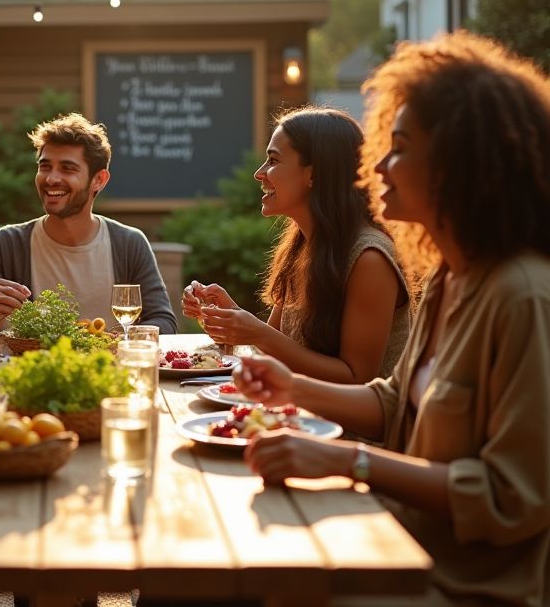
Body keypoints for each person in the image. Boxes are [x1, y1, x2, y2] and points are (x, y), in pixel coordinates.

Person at [235, 31, 550, 606]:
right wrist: (289, 385)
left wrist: (346, 459)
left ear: (460, 162)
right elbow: (390, 402)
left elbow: (514, 496)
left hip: (460, 584)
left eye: (399, 146)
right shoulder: (451, 279)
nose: (378, 164)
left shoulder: (522, 295)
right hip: (398, 540)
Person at [183, 106, 409, 383]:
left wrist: (255, 331)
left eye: (273, 161)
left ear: (313, 174)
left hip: (345, 426)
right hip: (297, 416)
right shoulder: (304, 246)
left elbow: (358, 379)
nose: (259, 173)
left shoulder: (369, 258)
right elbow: (274, 354)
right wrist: (230, 319)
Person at [0, 112, 177, 333]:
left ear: (98, 180)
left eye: (68, 168)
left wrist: (119, 343)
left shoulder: (129, 244)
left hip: (110, 368)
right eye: (45, 166)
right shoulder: (10, 242)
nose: (51, 179)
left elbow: (164, 321)